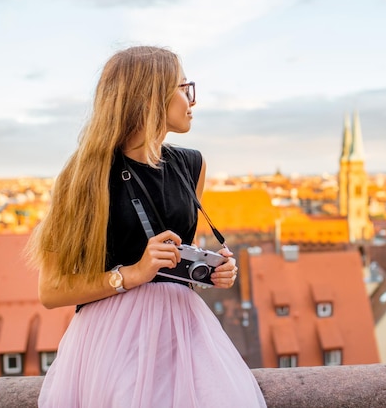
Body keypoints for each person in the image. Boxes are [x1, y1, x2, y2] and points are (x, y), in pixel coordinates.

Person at [27, 46, 266, 408]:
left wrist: (212, 272)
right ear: (151, 96)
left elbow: (178, 260)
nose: (192, 100)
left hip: (184, 332)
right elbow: (51, 290)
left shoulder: (192, 165)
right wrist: (134, 273)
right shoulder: (85, 176)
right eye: (183, 87)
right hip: (113, 338)